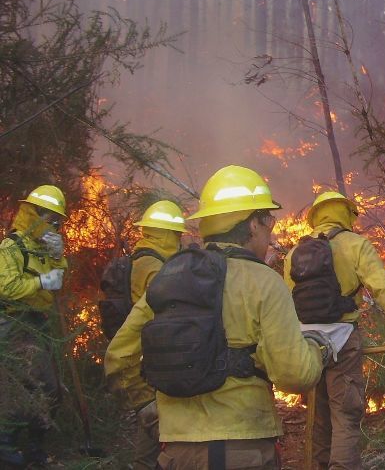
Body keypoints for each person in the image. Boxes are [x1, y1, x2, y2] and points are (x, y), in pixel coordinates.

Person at [105, 166, 325, 469]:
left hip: (175, 453)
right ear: (252, 225)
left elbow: (118, 356)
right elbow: (294, 375)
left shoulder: (169, 278)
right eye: (268, 222)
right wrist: (317, 348)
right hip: (243, 449)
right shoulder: (263, 281)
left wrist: (145, 405)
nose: (270, 231)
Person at [283, 191, 385, 469]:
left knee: (318, 416)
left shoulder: (294, 253)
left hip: (306, 344)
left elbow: (285, 304)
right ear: (346, 214)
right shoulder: (355, 244)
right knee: (345, 415)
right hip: (342, 341)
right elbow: (383, 289)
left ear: (315, 217)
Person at [0, 185, 68, 466]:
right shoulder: (10, 247)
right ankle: (7, 449)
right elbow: (5, 286)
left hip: (39, 325)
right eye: (50, 218)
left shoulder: (44, 248)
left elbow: (60, 280)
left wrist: (58, 258)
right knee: (19, 388)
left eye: (57, 220)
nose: (54, 225)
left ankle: (35, 447)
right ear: (34, 214)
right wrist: (40, 282)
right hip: (14, 323)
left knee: (49, 389)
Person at [121, 200, 187, 470]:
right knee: (159, 434)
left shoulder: (142, 257)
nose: (180, 241)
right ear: (167, 234)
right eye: (177, 234)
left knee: (152, 431)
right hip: (155, 355)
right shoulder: (153, 266)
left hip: (145, 352)